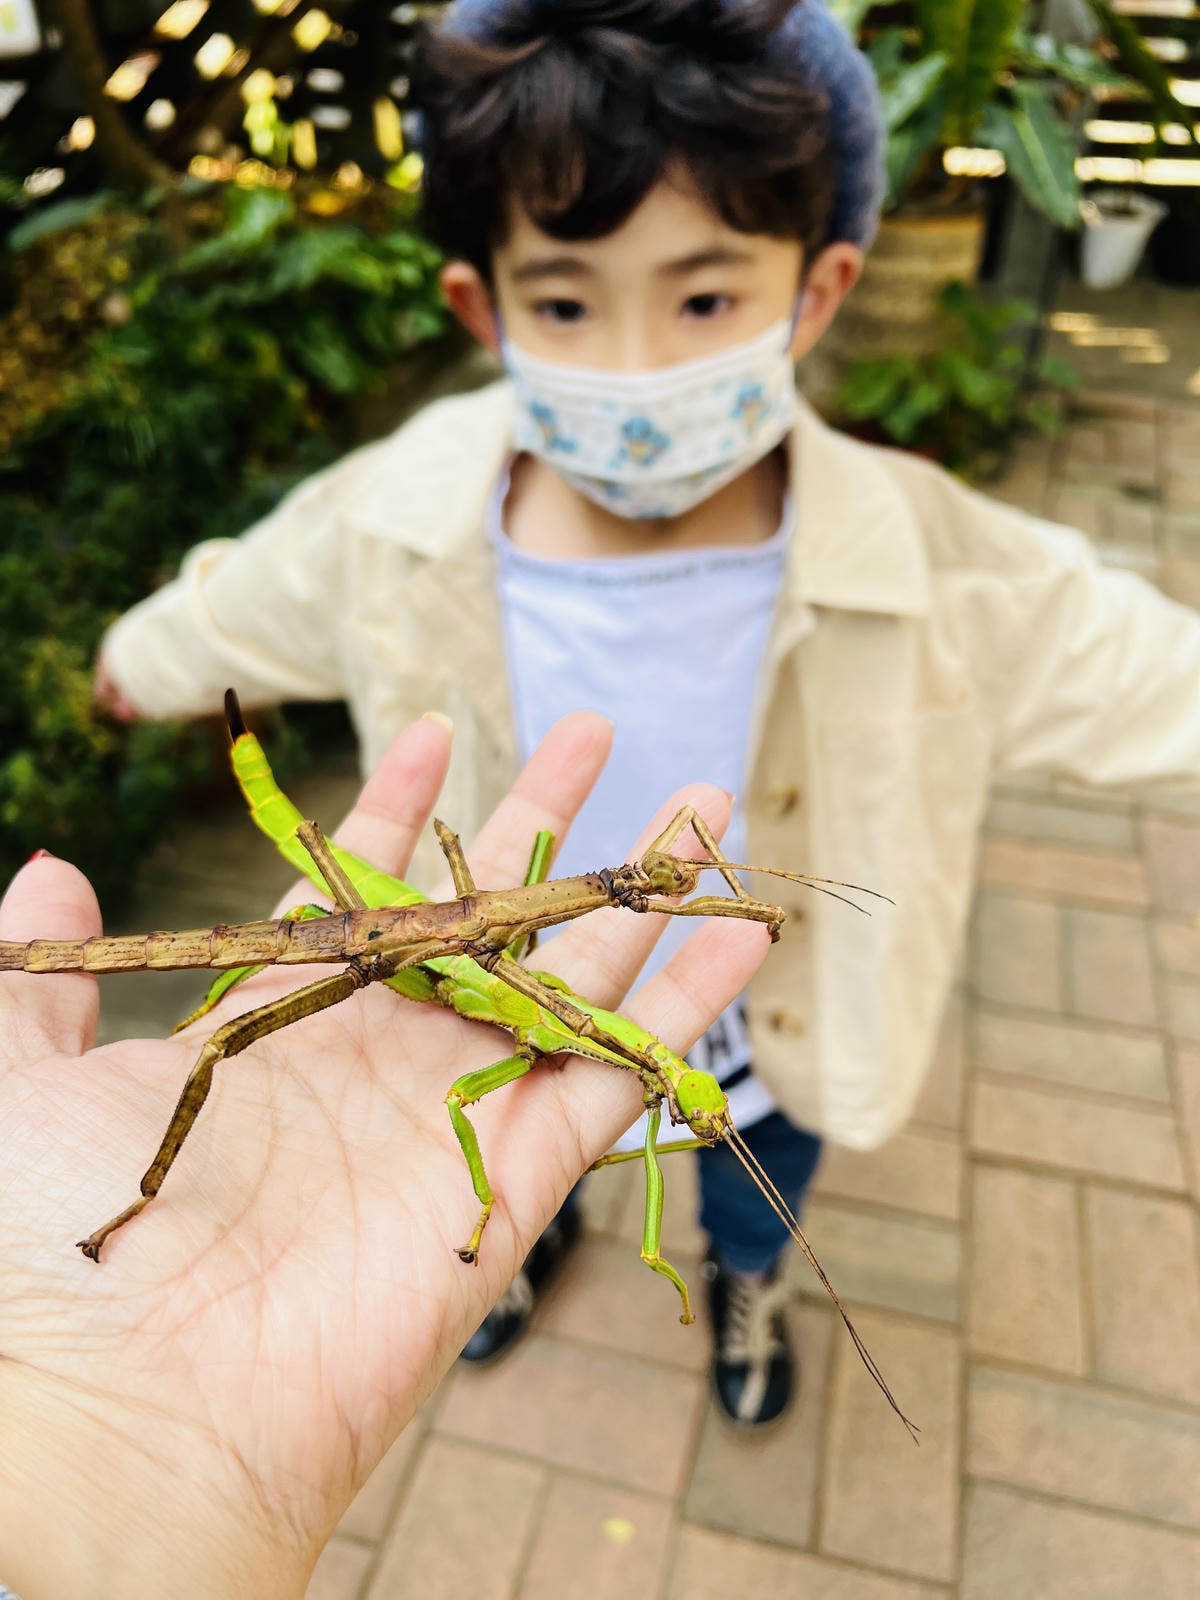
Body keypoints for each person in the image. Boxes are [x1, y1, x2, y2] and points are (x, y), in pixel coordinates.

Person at [93, 0, 1200, 1429]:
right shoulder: (397, 516)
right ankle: (512, 1237)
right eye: (564, 302)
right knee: (472, 1103)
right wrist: (144, 662)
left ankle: (736, 1271)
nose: (631, 367)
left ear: (818, 289)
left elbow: (1142, 666)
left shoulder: (942, 565)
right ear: (479, 309)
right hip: (452, 994)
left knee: (750, 1166)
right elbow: (248, 601)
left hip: (767, 1042)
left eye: (702, 297)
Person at [0, 711, 770, 1599]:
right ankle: (143, 1197)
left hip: (418, 942)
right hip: (352, 942)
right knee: (222, 1043)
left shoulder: (552, 994)